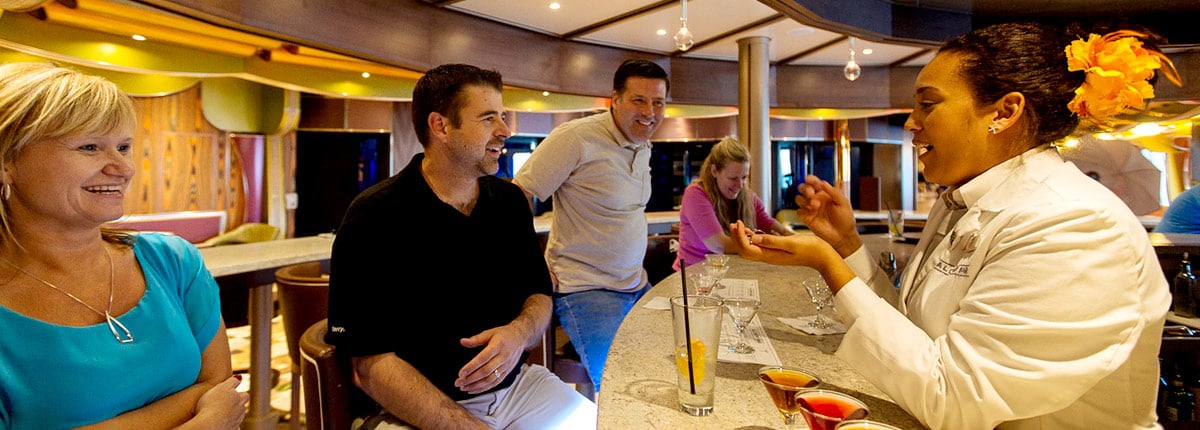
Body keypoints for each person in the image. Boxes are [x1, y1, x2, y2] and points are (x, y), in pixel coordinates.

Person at [731, 22, 1176, 429]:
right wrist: (846, 245)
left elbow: (956, 400)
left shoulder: (1074, 224)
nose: (911, 123)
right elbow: (913, 332)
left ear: (1004, 112)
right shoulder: (960, 202)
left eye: (928, 105)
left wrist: (828, 264)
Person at [324, 64, 596, 429]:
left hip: (518, 390)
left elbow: (538, 295)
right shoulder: (374, 216)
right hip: (410, 408)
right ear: (440, 126)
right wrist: (466, 426)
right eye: (488, 118)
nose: (505, 130)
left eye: (503, 116)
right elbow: (368, 365)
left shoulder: (509, 202)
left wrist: (518, 333)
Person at [0, 62, 247, 429]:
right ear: (7, 162)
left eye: (124, 147)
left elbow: (219, 388)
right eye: (89, 147)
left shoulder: (171, 261)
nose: (123, 168)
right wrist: (200, 422)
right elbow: (213, 408)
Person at [512, 59, 668, 390]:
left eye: (658, 102)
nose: (650, 112)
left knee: (677, 360)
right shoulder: (576, 137)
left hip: (636, 284)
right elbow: (517, 196)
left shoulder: (642, 144)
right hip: (587, 290)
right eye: (639, 100)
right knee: (621, 385)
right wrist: (530, 264)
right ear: (616, 99)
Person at [676, 135, 793, 270]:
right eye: (733, 178)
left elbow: (775, 228)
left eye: (744, 177)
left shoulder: (748, 197)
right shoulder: (695, 194)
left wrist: (797, 241)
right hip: (693, 275)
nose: (740, 185)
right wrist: (765, 243)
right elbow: (720, 244)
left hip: (732, 272)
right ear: (714, 171)